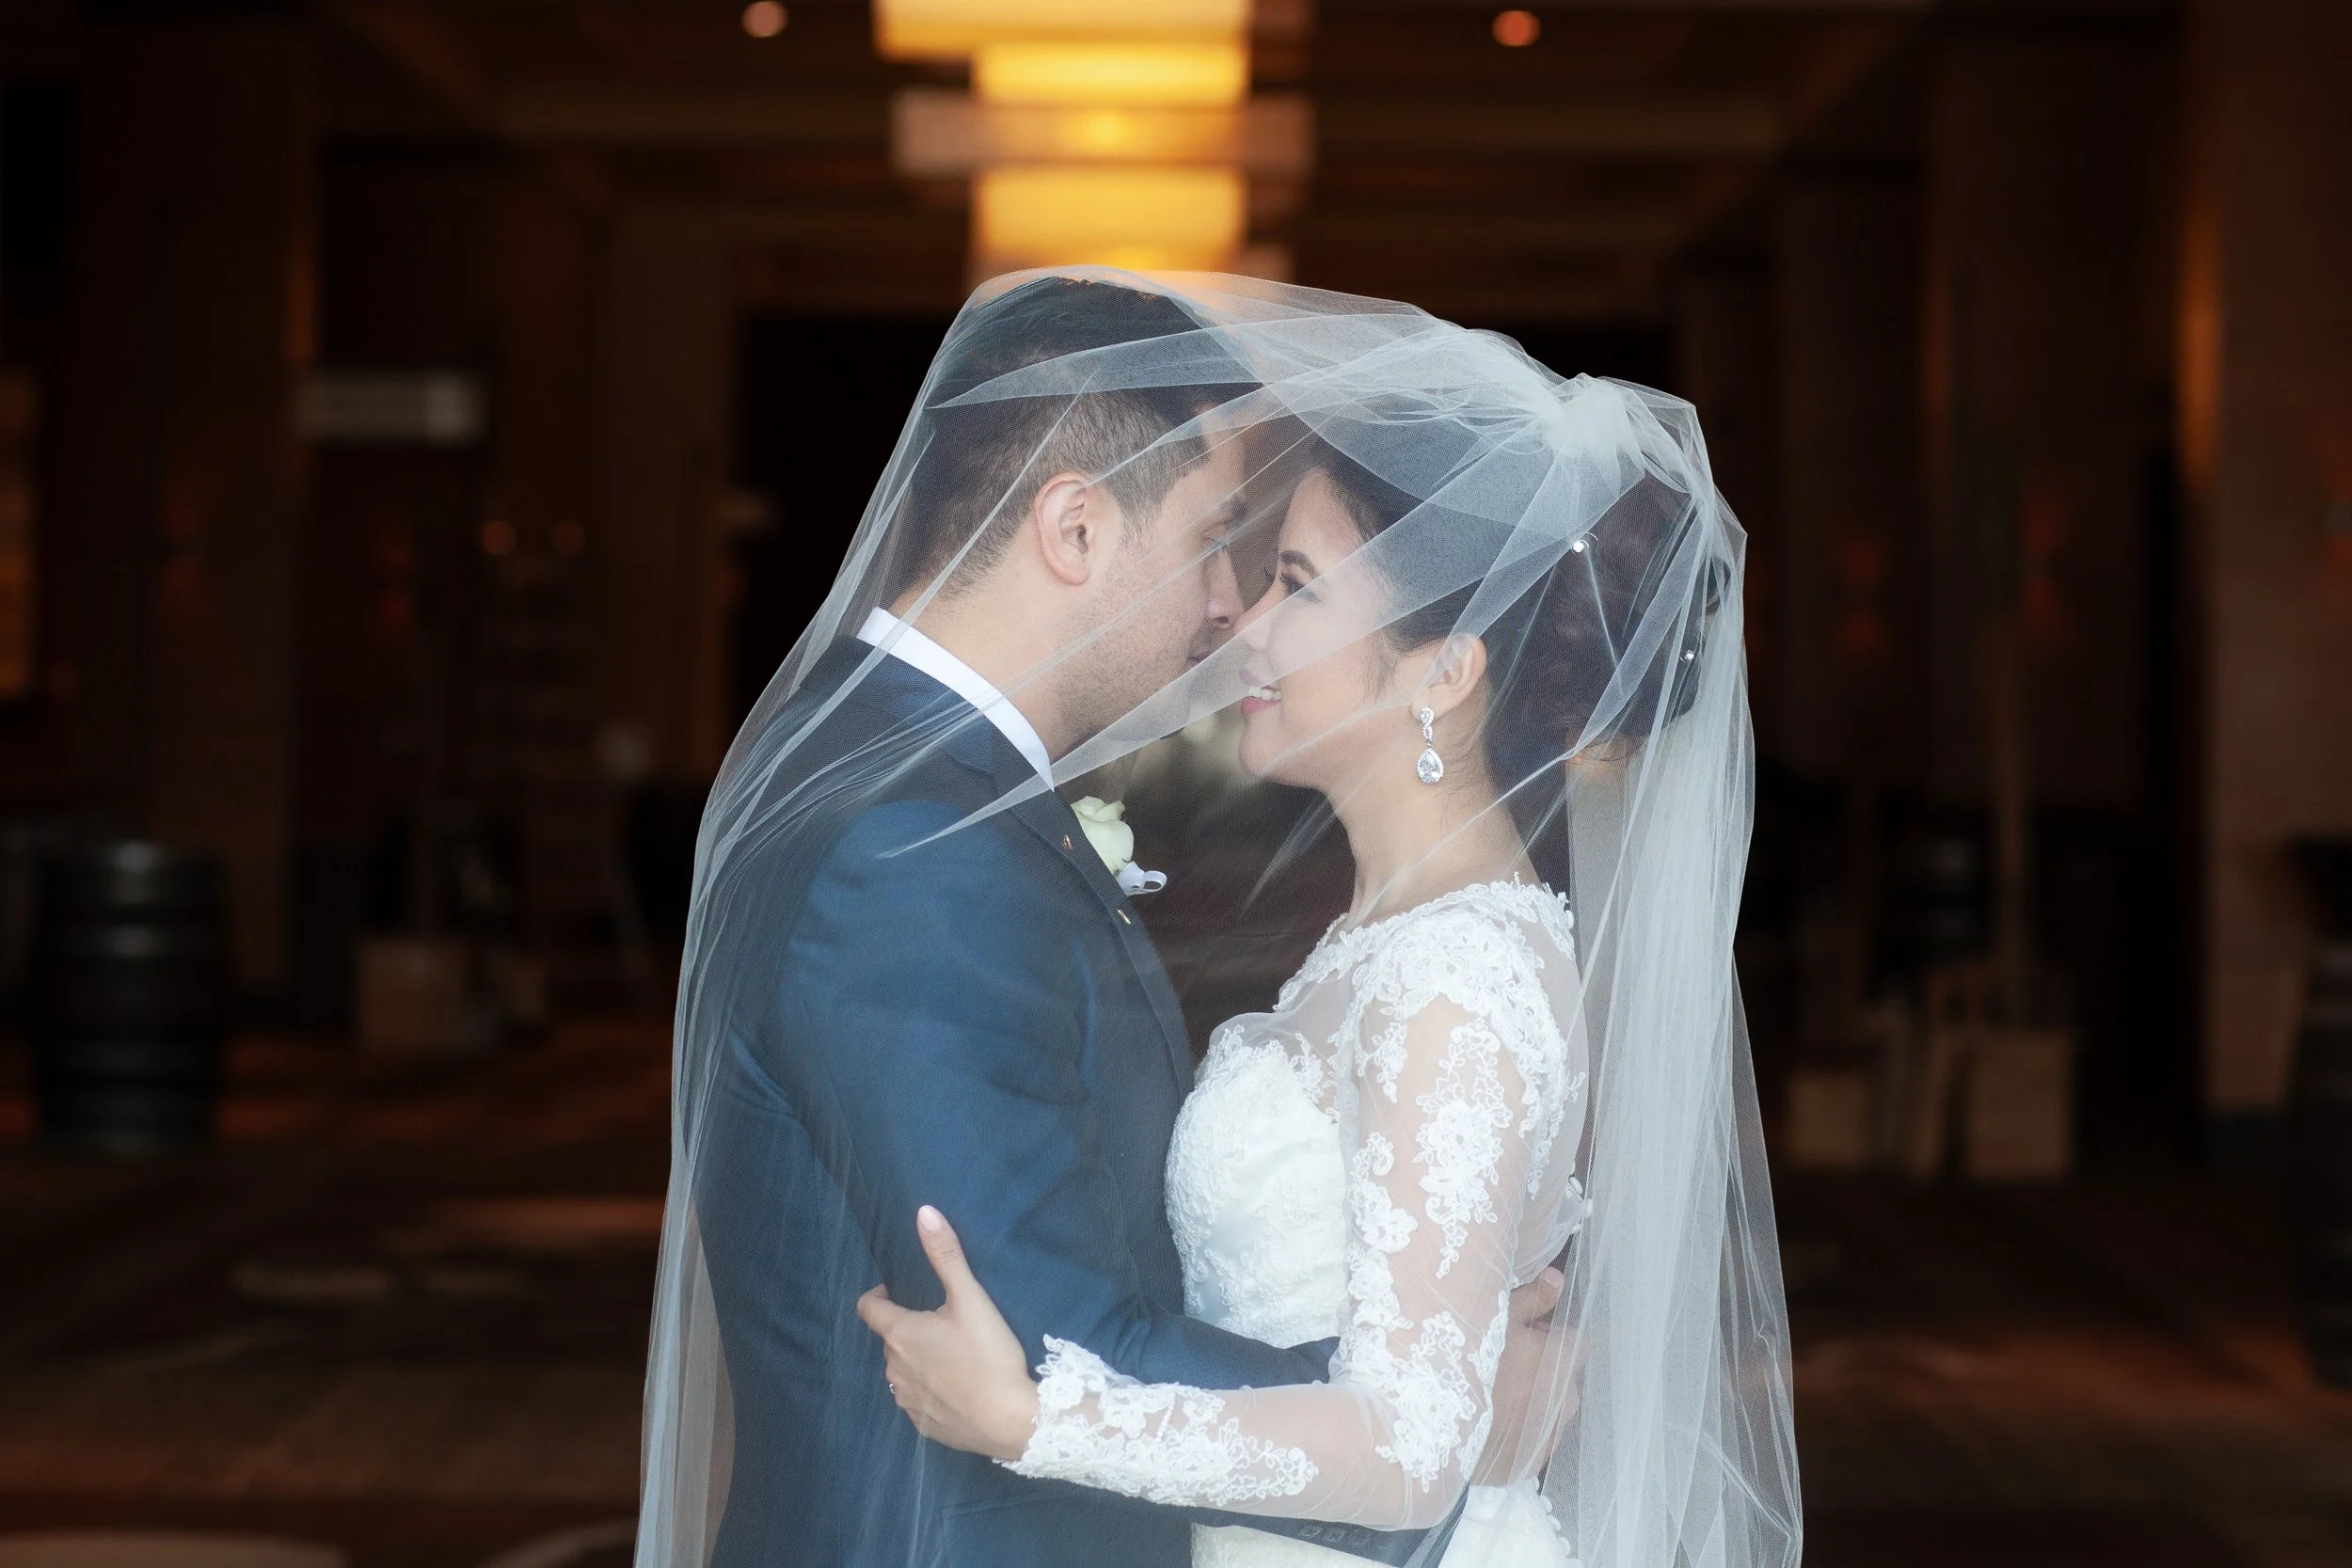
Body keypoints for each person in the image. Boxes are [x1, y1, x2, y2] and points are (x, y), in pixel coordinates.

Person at [639, 269, 1799, 1568]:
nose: (1229, 610)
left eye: (1291, 579)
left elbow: (1352, 1411)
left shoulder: (1456, 967)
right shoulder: (912, 841)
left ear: (1445, 668)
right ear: (1075, 530)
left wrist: (1424, 1416)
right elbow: (1058, 1314)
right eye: (1218, 542)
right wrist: (1454, 1420)